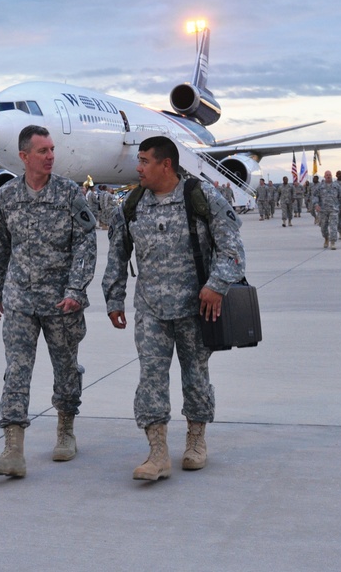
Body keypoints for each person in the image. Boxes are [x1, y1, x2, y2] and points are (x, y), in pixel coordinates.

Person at [102, 136, 246, 482]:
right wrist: (114, 298)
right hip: (150, 308)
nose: (138, 168)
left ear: (165, 164)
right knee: (150, 379)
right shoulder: (133, 203)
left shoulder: (202, 197)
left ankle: (196, 440)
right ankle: (157, 453)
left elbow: (233, 251)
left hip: (196, 307)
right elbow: (117, 254)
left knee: (196, 377)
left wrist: (216, 286)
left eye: (144, 161)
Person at [0, 125, 98, 478]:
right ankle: (12, 449)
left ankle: (65, 431)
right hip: (19, 298)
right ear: (24, 157)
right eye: (42, 151)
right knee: (16, 370)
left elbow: (85, 243)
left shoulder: (68, 193)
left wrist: (76, 289)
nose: (50, 156)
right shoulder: (7, 197)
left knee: (65, 368)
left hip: (61, 301)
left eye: (52, 150)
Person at [313, 170, 341, 249]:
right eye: (327, 175)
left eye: (330, 175)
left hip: (334, 209)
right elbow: (315, 196)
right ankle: (326, 238)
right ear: (324, 176)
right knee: (323, 227)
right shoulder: (320, 186)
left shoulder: (336, 186)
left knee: (333, 226)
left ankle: (332, 242)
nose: (328, 176)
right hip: (323, 210)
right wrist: (316, 204)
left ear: (332, 176)